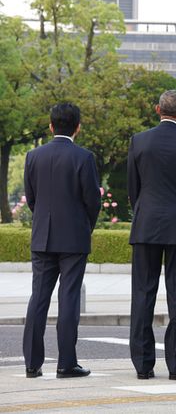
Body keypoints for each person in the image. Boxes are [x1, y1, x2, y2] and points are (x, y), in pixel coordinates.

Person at [128, 89, 176, 380]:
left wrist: (143, 211)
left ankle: (143, 365)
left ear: (157, 109)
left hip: (146, 223)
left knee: (143, 294)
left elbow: (134, 188)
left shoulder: (139, 141)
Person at [23, 103, 101, 379]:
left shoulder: (33, 156)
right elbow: (93, 201)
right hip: (74, 237)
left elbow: (32, 199)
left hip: (42, 236)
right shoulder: (84, 157)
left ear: (50, 125)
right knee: (68, 299)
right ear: (78, 127)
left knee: (38, 299)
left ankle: (32, 364)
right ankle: (66, 363)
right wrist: (84, 226)